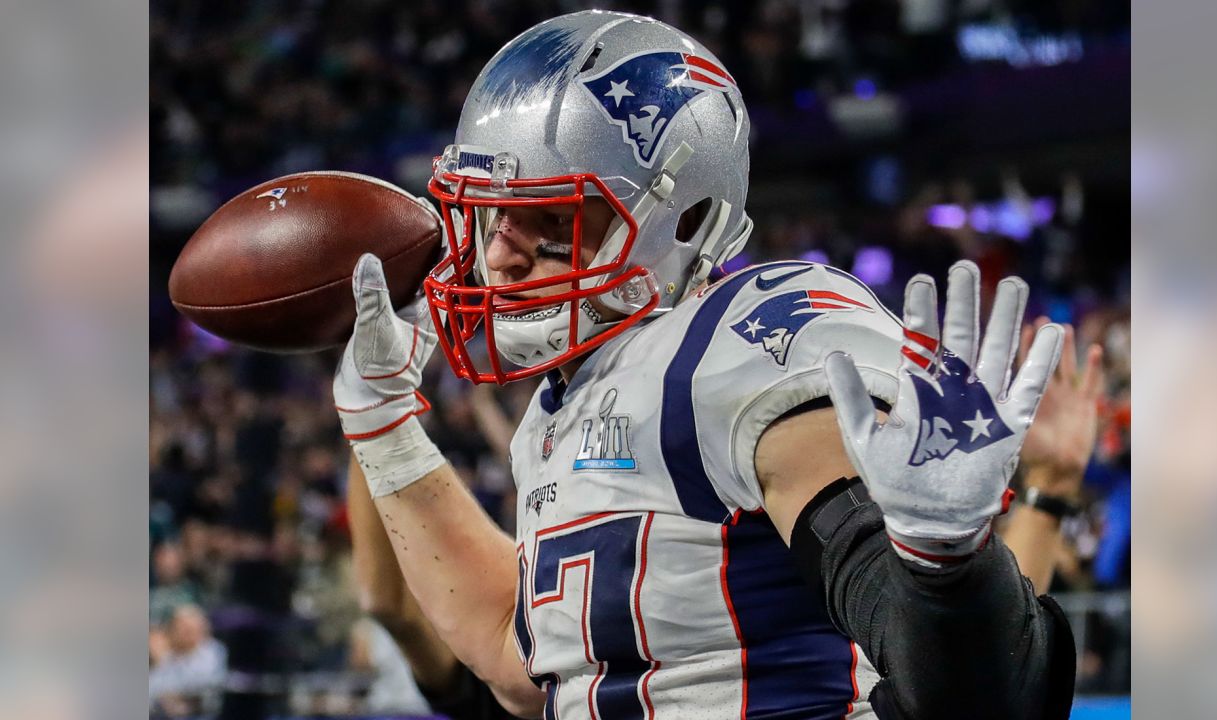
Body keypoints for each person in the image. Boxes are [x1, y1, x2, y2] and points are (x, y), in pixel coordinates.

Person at [331, 11, 1077, 719]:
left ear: (681, 221)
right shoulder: (557, 413)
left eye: (553, 220)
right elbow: (517, 658)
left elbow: (963, 691)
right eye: (497, 215)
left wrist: (944, 570)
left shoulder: (736, 345)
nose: (498, 254)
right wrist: (383, 424)